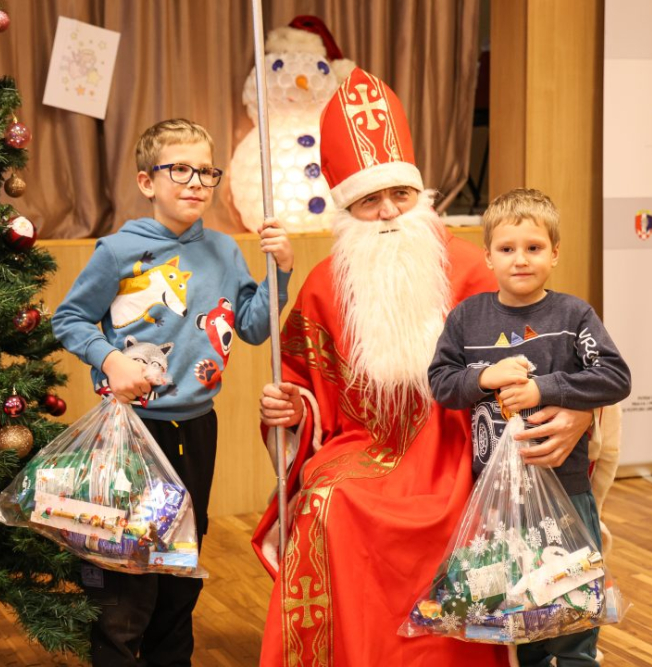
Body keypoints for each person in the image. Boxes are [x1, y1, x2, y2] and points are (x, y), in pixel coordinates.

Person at [253, 68, 591, 667]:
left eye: (399, 196)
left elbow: (556, 349)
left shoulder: (474, 269)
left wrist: (575, 409)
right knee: (326, 504)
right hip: (367, 445)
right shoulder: (325, 283)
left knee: (460, 514)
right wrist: (291, 406)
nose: (387, 212)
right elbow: (307, 385)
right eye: (369, 199)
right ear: (347, 207)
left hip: (463, 448)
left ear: (420, 195)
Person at [52, 118, 293, 666]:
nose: (195, 182)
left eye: (205, 170)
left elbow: (253, 328)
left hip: (196, 429)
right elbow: (69, 320)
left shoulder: (227, 251)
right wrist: (111, 359)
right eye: (178, 169)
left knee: (182, 558)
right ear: (146, 182)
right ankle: (115, 653)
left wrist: (279, 270)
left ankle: (170, 656)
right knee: (126, 564)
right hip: (134, 430)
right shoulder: (118, 251)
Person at [427, 188, 632, 667]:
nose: (521, 259)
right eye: (507, 249)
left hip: (566, 491)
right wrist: (484, 377)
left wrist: (546, 389)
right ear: (488, 257)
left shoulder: (573, 315)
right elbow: (440, 383)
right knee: (524, 619)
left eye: (534, 248)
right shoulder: (466, 319)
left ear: (555, 254)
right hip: (499, 503)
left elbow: (615, 376)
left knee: (573, 615)